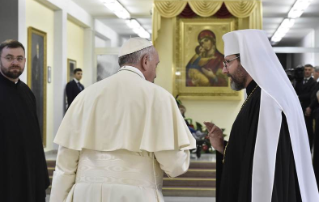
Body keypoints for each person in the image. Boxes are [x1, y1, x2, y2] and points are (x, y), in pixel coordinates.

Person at [50, 37, 196, 202]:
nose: (155, 73)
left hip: (85, 194)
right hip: (136, 195)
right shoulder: (158, 97)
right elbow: (173, 165)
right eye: (156, 65)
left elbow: (65, 165)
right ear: (145, 61)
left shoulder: (85, 96)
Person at [204, 30, 318, 202]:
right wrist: (222, 146)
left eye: (228, 62)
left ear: (247, 59)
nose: (224, 70)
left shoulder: (267, 100)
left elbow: (265, 169)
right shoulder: (259, 95)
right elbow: (251, 150)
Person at [0, 39, 50, 202]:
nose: (15, 62)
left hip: (28, 168)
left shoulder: (26, 92)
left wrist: (40, 172)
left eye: (19, 58)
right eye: (9, 58)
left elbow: (35, 136)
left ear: (25, 61)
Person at [295, 64, 316, 149]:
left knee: (308, 130)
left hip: (308, 109)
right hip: (299, 109)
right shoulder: (299, 82)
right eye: (306, 69)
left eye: (309, 70)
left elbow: (311, 95)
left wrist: (299, 97)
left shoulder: (314, 83)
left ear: (312, 71)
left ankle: (309, 148)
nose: (307, 71)